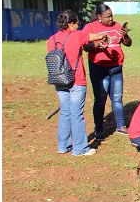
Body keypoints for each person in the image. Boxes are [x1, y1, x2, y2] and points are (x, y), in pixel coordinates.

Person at [46, 10, 108, 156]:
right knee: (77, 114)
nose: (78, 26)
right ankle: (80, 148)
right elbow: (96, 36)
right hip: (76, 80)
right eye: (77, 23)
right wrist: (104, 35)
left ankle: (63, 145)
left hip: (59, 80)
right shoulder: (77, 35)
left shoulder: (52, 39)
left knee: (65, 113)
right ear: (71, 24)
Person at [85, 4, 132, 139]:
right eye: (108, 16)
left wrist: (125, 35)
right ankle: (99, 129)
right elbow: (85, 46)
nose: (111, 19)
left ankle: (121, 126)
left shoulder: (117, 26)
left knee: (117, 98)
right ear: (99, 17)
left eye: (112, 16)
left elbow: (128, 43)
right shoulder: (91, 28)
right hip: (99, 69)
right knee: (100, 100)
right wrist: (97, 45)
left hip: (116, 69)